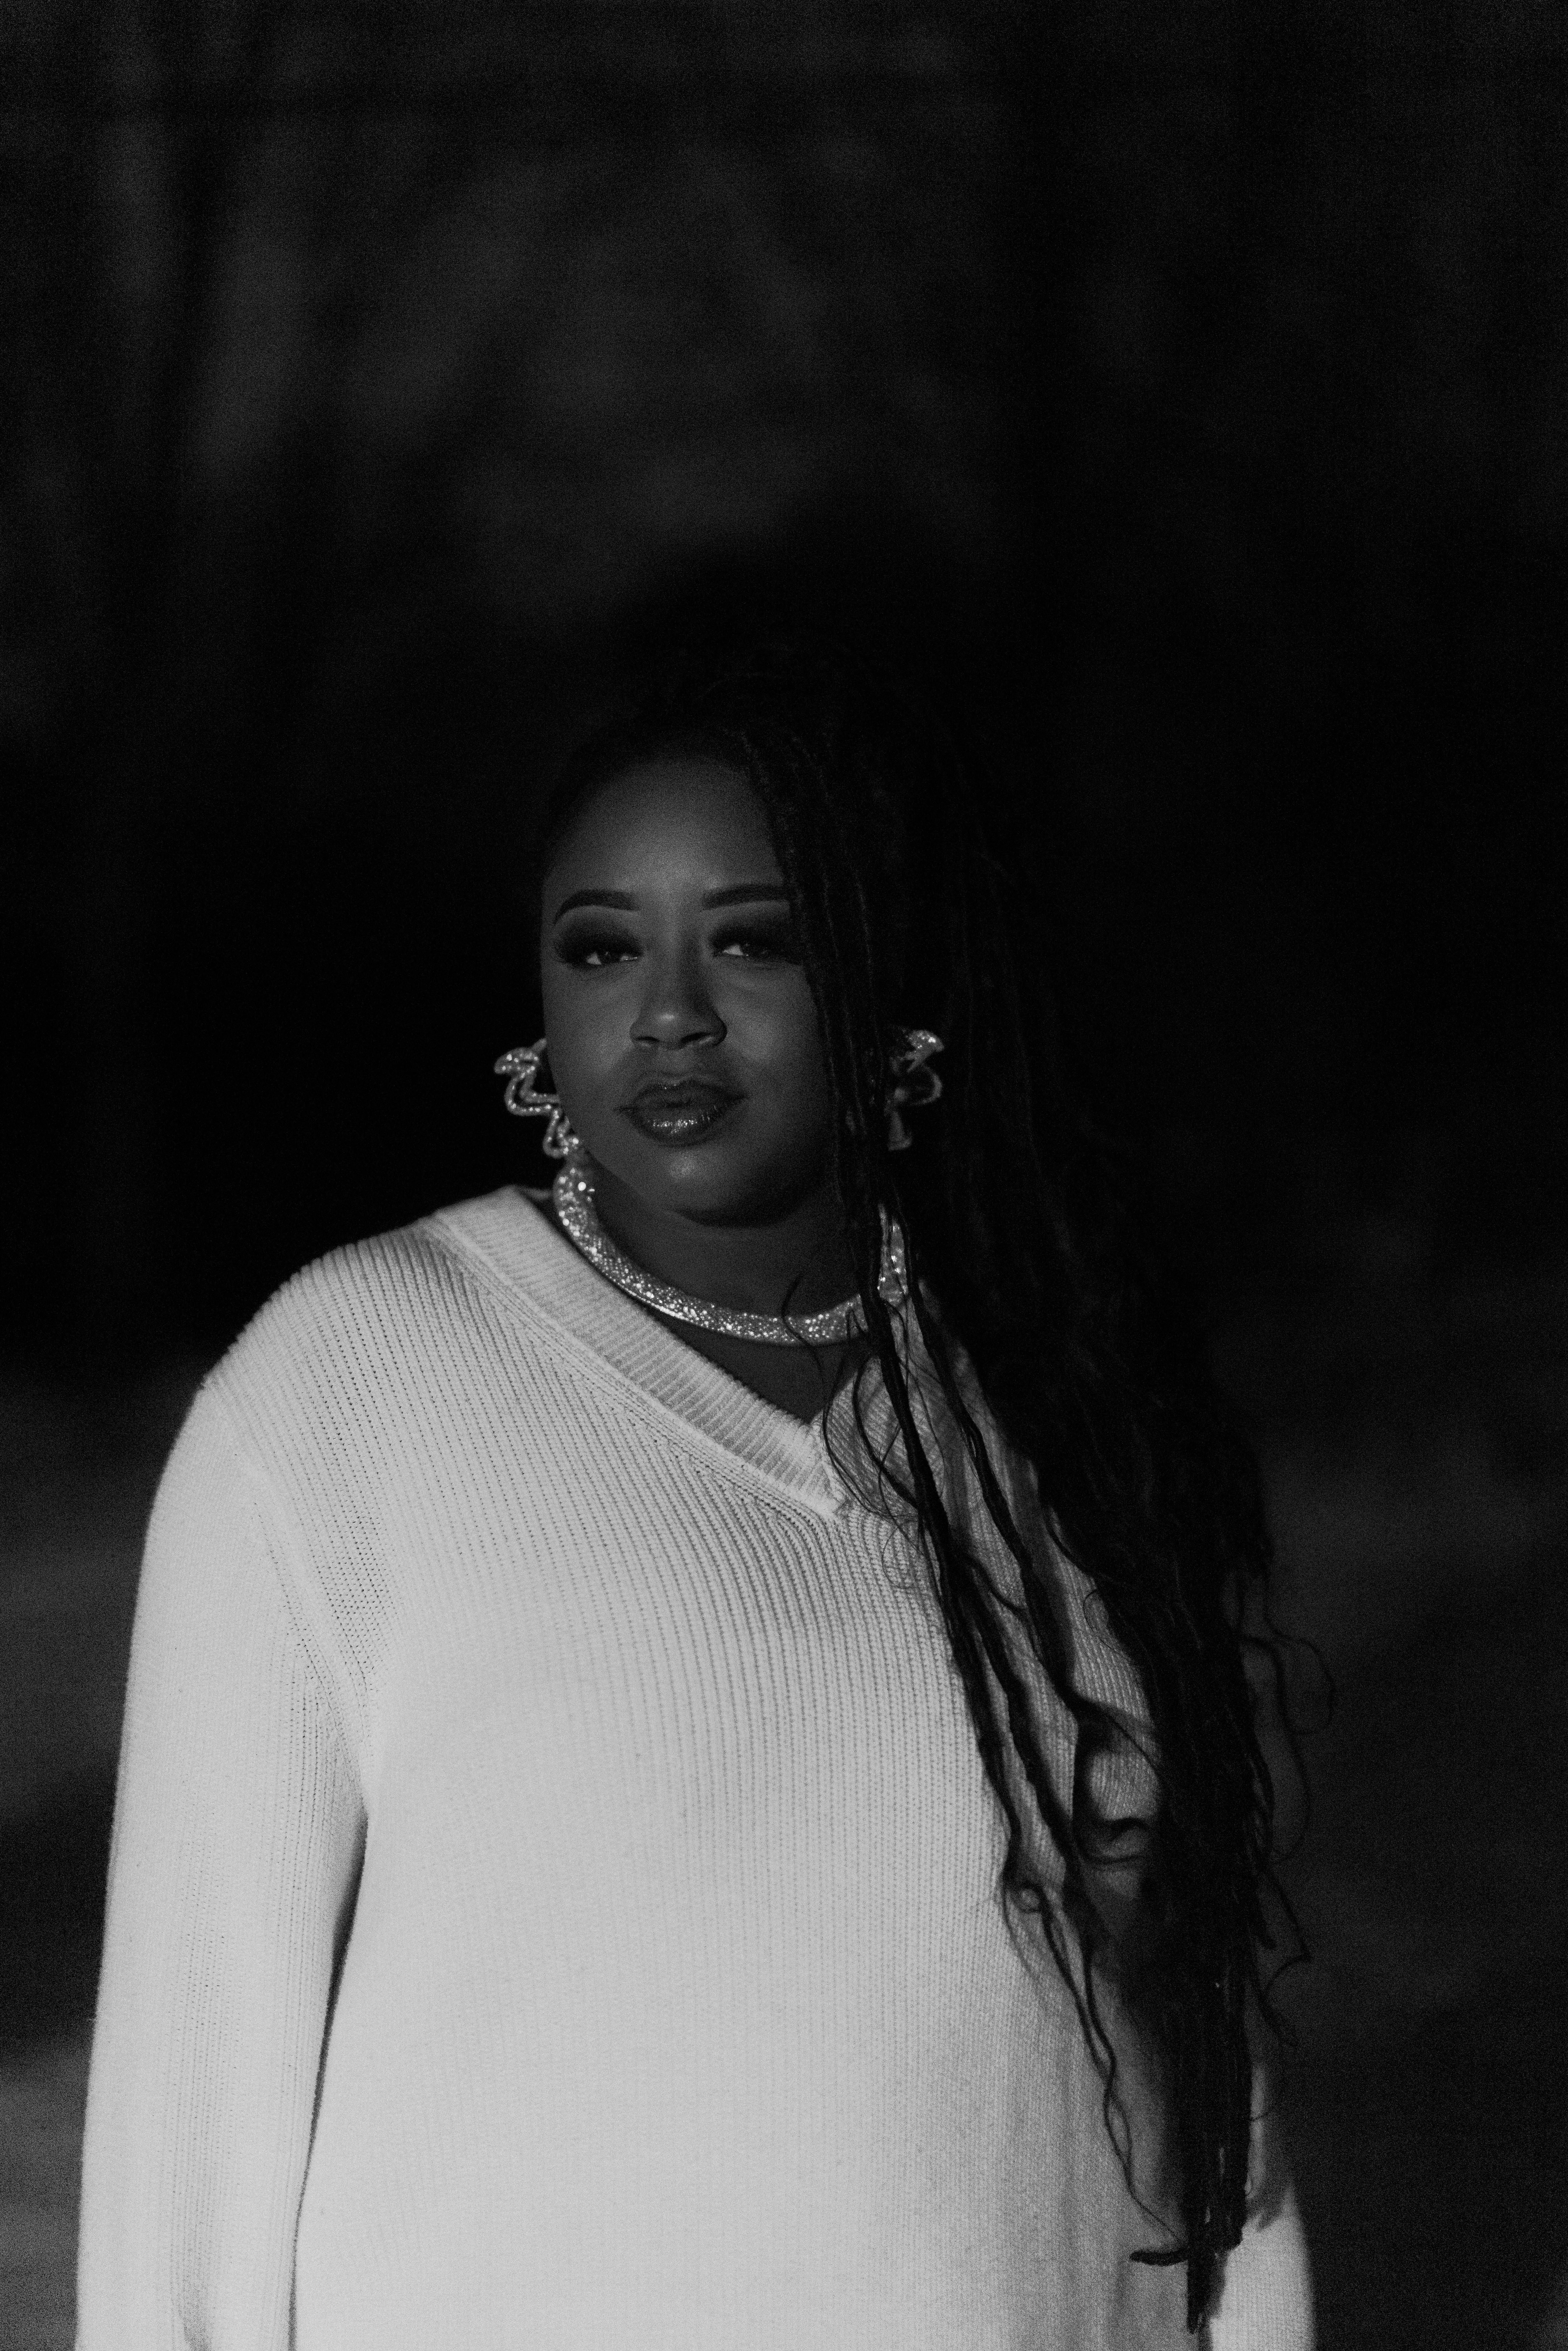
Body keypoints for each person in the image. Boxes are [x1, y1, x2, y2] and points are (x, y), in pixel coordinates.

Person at [77, 627, 1314, 2348]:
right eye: (602, 947)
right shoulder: (354, 1382)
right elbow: (194, 2084)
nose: (668, 1012)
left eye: (754, 938)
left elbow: (1202, 2095)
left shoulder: (1045, 1414)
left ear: (890, 990)